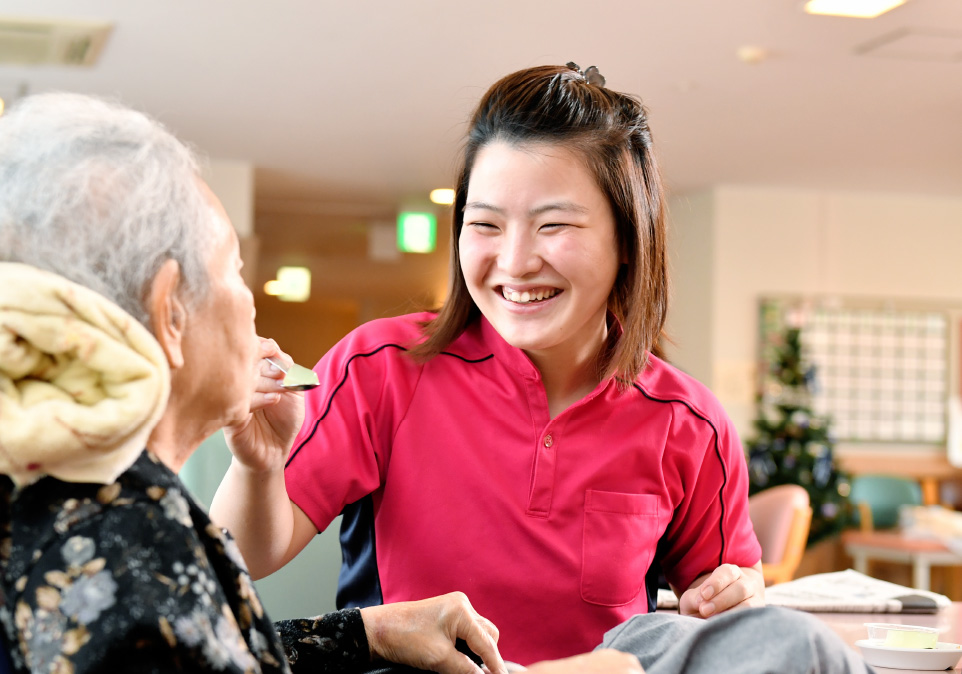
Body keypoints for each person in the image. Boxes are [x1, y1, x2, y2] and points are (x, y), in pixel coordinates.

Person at [0, 92, 641, 674]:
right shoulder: (127, 542)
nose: (251, 304)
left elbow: (211, 644)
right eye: (236, 268)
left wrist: (369, 632)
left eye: (555, 224)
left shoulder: (96, 511)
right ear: (171, 310)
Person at [211, 63, 767, 665]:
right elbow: (243, 554)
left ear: (628, 240)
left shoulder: (690, 424)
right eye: (485, 225)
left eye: (554, 225)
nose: (516, 260)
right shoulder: (382, 367)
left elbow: (724, 609)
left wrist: (740, 594)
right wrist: (258, 468)